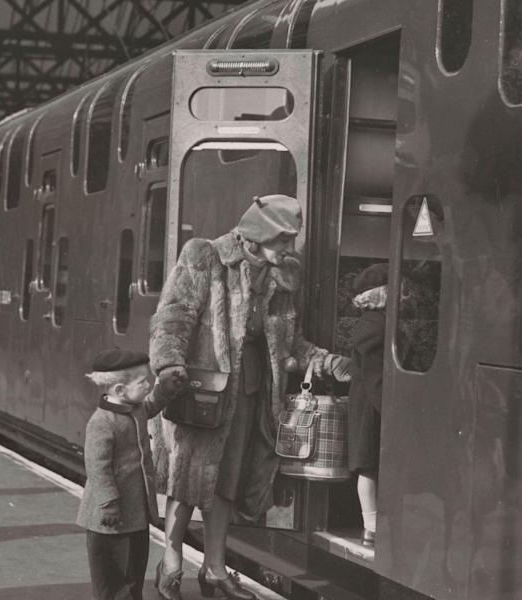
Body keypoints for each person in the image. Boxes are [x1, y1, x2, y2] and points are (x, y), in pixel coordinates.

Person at [150, 194, 350, 600]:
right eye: (282, 241)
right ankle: (170, 557)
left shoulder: (281, 278)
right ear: (256, 238)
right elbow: (175, 316)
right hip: (202, 391)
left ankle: (215, 568)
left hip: (250, 395)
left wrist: (328, 362)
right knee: (187, 479)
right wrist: (170, 365)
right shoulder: (204, 257)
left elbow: (290, 344)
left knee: (226, 482)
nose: (289, 250)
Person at [76, 349, 168, 600]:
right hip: (110, 519)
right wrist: (108, 503)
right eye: (142, 382)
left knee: (132, 576)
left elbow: (150, 406)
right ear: (119, 390)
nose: (149, 385)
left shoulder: (133, 408)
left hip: (134, 515)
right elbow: (97, 467)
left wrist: (166, 390)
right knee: (112, 580)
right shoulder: (102, 422)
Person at [347, 263, 406, 547]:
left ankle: (372, 524)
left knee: (369, 465)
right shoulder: (375, 327)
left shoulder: (374, 324)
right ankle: (370, 527)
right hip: (372, 406)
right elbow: (375, 377)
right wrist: (391, 413)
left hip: (371, 403)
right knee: (368, 465)